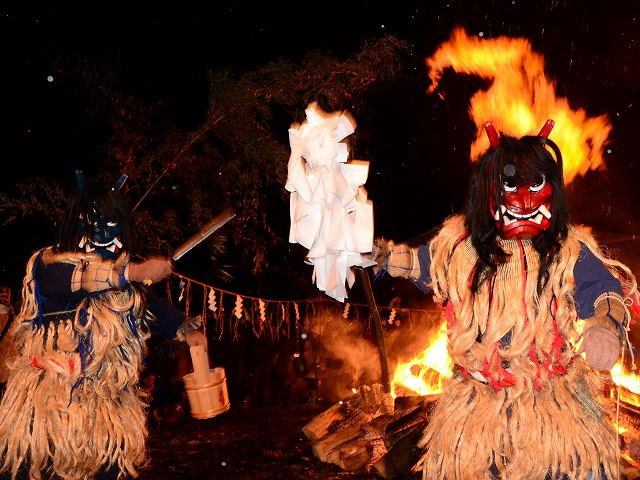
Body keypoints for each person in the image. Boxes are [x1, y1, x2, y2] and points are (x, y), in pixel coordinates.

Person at [374, 120, 637, 479]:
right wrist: (374, 256)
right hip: (477, 413)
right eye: (510, 185)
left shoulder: (567, 251)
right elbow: (416, 263)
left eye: (536, 185)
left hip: (554, 409)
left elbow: (605, 290)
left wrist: (604, 324)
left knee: (579, 469)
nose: (524, 200)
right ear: (488, 190)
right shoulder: (459, 250)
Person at [0, 171, 207, 480]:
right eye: (95, 221)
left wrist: (188, 331)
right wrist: (131, 273)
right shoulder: (49, 264)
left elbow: (154, 308)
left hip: (106, 408)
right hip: (48, 406)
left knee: (110, 469)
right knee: (35, 468)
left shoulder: (126, 287)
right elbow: (80, 279)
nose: (103, 232)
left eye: (112, 222)